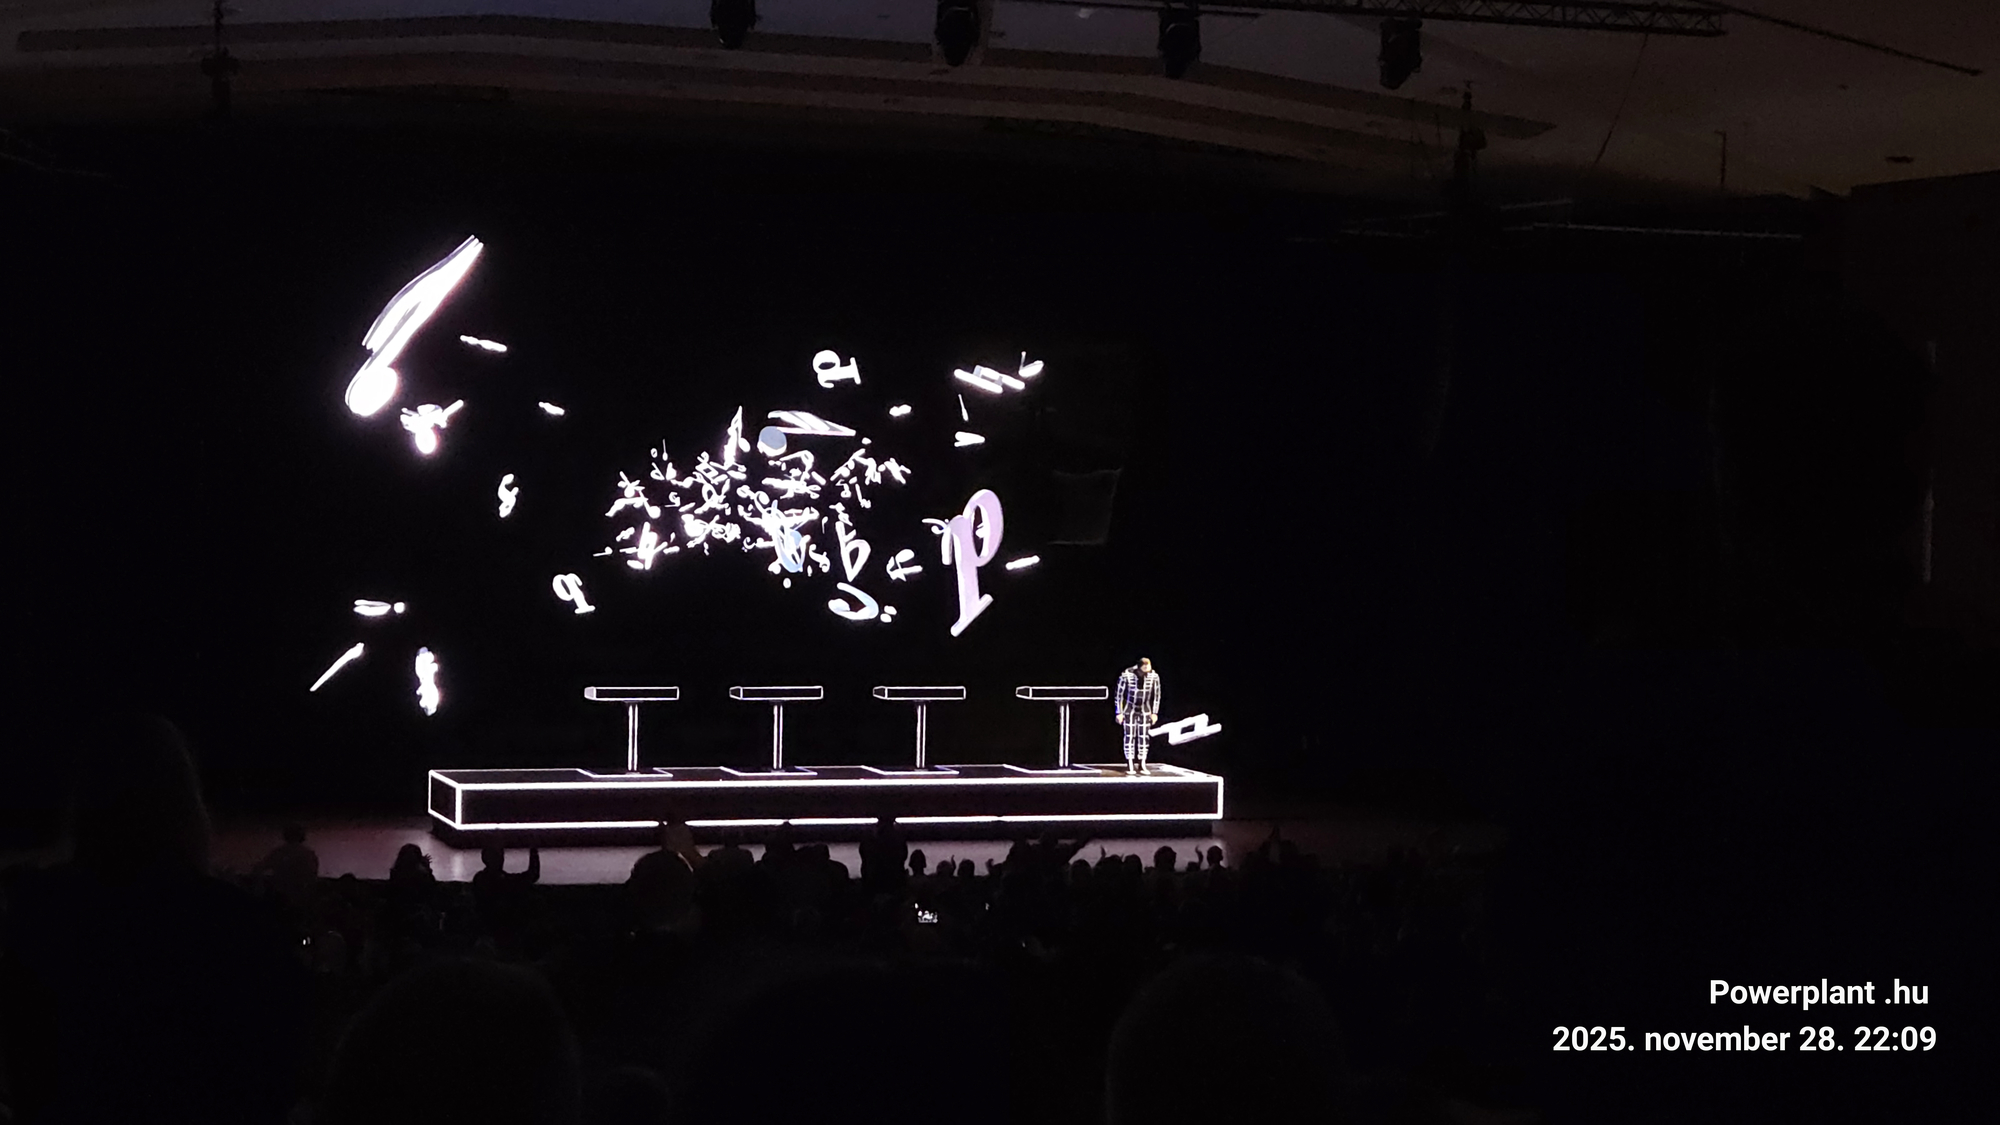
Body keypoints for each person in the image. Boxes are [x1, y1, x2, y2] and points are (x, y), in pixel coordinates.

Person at [1113, 656, 1163, 774]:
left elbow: (1157, 695)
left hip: (1145, 709)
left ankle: (1142, 763)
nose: (1146, 674)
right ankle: (1130, 763)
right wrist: (1119, 712)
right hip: (1129, 709)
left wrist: (1154, 712)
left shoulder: (1154, 676)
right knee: (1129, 736)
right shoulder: (1126, 675)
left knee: (1144, 736)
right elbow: (1119, 695)